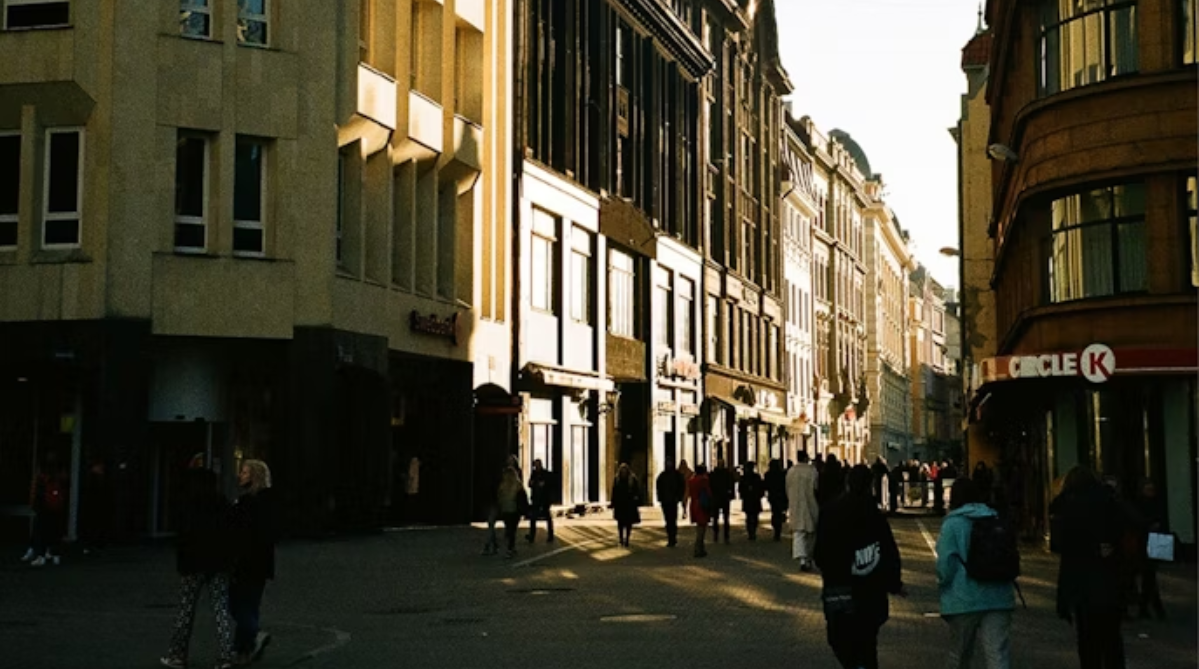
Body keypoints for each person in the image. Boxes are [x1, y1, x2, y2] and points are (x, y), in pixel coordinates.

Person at [815, 465, 905, 669]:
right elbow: (888, 550)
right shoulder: (874, 514)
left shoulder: (830, 511)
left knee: (840, 639)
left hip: (839, 589)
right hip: (869, 592)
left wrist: (828, 570)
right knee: (867, 643)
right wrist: (894, 583)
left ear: (847, 483)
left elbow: (820, 552)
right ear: (870, 485)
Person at [1051, 466, 1128, 669]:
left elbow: (1060, 547)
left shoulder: (1067, 505)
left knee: (1087, 640)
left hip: (1081, 583)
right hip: (1110, 580)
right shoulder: (1109, 501)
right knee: (1112, 639)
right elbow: (1126, 526)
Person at [160, 467, 236, 669]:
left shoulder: (188, 505)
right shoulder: (222, 503)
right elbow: (230, 534)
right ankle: (225, 655)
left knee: (186, 610)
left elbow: (183, 536)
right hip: (218, 564)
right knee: (220, 608)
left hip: (193, 564)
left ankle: (177, 655)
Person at [937, 478, 1016, 669]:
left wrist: (942, 585)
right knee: (997, 654)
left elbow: (945, 566)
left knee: (960, 655)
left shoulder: (953, 524)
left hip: (963, 598)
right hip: (999, 595)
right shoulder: (995, 517)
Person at [229, 460, 278, 665]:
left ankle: (253, 635)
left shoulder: (247, 503)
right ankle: (244, 650)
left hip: (246, 561)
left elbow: (238, 534)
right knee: (251, 604)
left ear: (254, 476)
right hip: (263, 561)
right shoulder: (269, 502)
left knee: (236, 603)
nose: (240, 475)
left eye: (245, 472)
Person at [1133, 478, 1167, 620]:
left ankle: (1147, 607)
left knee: (1149, 576)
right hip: (1146, 542)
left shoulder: (1150, 504)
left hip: (1152, 541)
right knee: (1149, 576)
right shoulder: (1142, 504)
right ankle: (1151, 607)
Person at [27, 452, 68, 567]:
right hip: (56, 506)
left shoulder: (42, 475)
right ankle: (55, 555)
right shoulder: (60, 473)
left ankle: (41, 555)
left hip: (44, 506)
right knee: (55, 530)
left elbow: (37, 490)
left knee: (41, 531)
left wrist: (34, 503)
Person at [786, 451, 820, 571]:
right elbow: (816, 487)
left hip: (795, 505)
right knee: (811, 533)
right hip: (810, 503)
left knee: (798, 533)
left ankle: (802, 559)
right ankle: (808, 559)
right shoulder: (812, 471)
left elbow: (787, 488)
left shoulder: (791, 471)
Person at [496, 467, 528, 558]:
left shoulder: (502, 486)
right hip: (515, 511)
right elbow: (523, 498)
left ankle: (508, 547)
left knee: (508, 528)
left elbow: (499, 498)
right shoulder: (518, 485)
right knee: (513, 530)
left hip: (505, 510)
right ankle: (511, 547)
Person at [656, 459, 685, 547]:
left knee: (672, 520)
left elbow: (682, 486)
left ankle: (673, 537)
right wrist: (660, 498)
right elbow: (659, 488)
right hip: (666, 501)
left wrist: (678, 497)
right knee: (668, 520)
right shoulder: (662, 476)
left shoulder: (676, 475)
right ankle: (670, 538)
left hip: (673, 501)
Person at [611, 463, 641, 547]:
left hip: (629, 504)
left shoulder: (632, 479)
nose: (623, 472)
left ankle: (627, 539)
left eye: (625, 470)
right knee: (620, 523)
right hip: (620, 504)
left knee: (628, 523)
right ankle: (621, 539)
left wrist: (636, 500)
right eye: (622, 470)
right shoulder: (617, 479)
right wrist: (613, 502)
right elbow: (614, 491)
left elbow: (637, 490)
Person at [526, 459, 555, 544]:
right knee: (533, 517)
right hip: (536, 498)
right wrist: (532, 483)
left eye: (537, 465)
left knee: (547, 517)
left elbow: (549, 484)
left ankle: (550, 535)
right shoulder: (534, 473)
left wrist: (543, 484)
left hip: (545, 499)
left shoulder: (546, 474)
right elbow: (530, 484)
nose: (536, 467)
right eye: (535, 465)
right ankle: (532, 536)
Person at [688, 464, 713, 558]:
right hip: (702, 504)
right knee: (702, 527)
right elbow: (708, 492)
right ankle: (698, 548)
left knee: (699, 526)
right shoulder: (704, 480)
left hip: (694, 503)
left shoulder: (691, 480)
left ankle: (700, 548)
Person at [708, 459, 734, 545]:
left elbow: (731, 485)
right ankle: (720, 535)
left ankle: (722, 535)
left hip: (721, 498)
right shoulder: (722, 474)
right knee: (719, 518)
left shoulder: (718, 474)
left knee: (722, 518)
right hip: (719, 498)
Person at [738, 462, 765, 541]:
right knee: (752, 516)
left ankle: (751, 531)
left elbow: (741, 489)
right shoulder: (755, 477)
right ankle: (752, 532)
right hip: (754, 499)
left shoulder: (747, 478)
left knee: (750, 516)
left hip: (750, 499)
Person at [765, 459, 788, 542]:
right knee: (779, 512)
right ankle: (778, 530)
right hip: (781, 496)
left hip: (773, 496)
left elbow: (766, 486)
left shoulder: (768, 475)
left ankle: (776, 529)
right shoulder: (782, 474)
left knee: (775, 512)